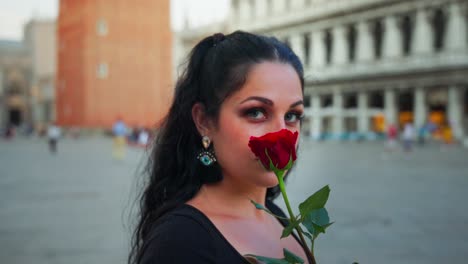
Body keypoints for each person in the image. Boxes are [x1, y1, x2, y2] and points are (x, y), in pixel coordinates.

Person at [129, 31, 311, 264]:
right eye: (256, 112)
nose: (281, 132)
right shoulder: (179, 243)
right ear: (204, 121)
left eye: (292, 115)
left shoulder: (275, 214)